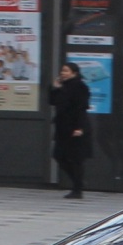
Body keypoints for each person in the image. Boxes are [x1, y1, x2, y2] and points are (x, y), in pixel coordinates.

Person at [51, 60, 93, 198]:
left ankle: (77, 189)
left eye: (66, 71)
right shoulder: (63, 86)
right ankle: (78, 181)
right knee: (59, 156)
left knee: (76, 159)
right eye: (62, 70)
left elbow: (81, 108)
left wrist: (80, 127)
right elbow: (52, 101)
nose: (63, 73)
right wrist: (55, 88)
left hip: (75, 127)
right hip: (62, 127)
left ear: (74, 73)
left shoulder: (80, 87)